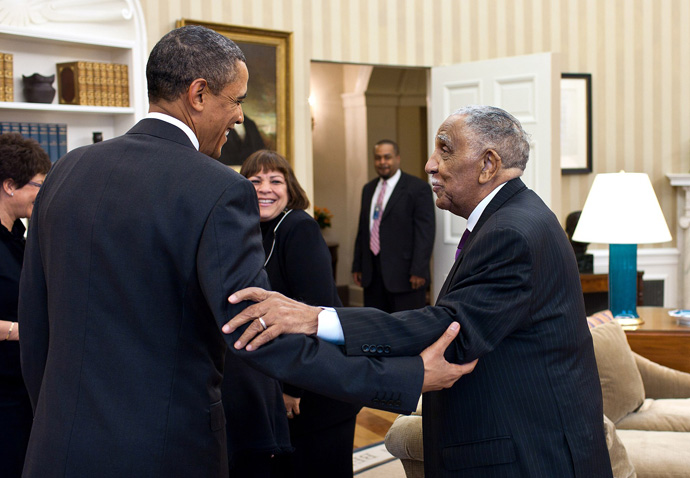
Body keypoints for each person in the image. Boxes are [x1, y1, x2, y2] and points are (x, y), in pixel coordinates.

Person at [18, 25, 474, 478]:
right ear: (198, 94)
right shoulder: (217, 188)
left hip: (57, 445)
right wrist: (404, 375)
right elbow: (257, 333)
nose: (239, 117)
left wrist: (53, 419)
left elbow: (35, 323)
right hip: (165, 451)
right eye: (235, 100)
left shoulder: (65, 171)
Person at [224, 105, 613, 477]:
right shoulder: (513, 216)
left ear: (488, 164)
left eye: (444, 149)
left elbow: (452, 332)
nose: (429, 164)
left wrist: (316, 318)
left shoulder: (511, 231)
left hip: (527, 453)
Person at [236, 149, 361, 478]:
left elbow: (318, 312)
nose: (265, 188)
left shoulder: (299, 228)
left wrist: (294, 388)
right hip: (286, 378)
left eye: (275, 180)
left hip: (317, 388)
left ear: (290, 190)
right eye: (254, 180)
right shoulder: (252, 232)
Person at [0, 133, 51, 478]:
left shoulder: (22, 237)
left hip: (23, 391)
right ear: (9, 185)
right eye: (38, 186)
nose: (44, 195)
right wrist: (22, 330)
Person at [352, 139, 435, 312]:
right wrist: (358, 265)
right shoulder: (368, 189)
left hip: (406, 276)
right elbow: (363, 229)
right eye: (378, 158)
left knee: (406, 329)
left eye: (387, 157)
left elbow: (425, 232)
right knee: (376, 326)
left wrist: (419, 270)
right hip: (372, 275)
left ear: (397, 158)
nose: (382, 162)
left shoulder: (417, 188)